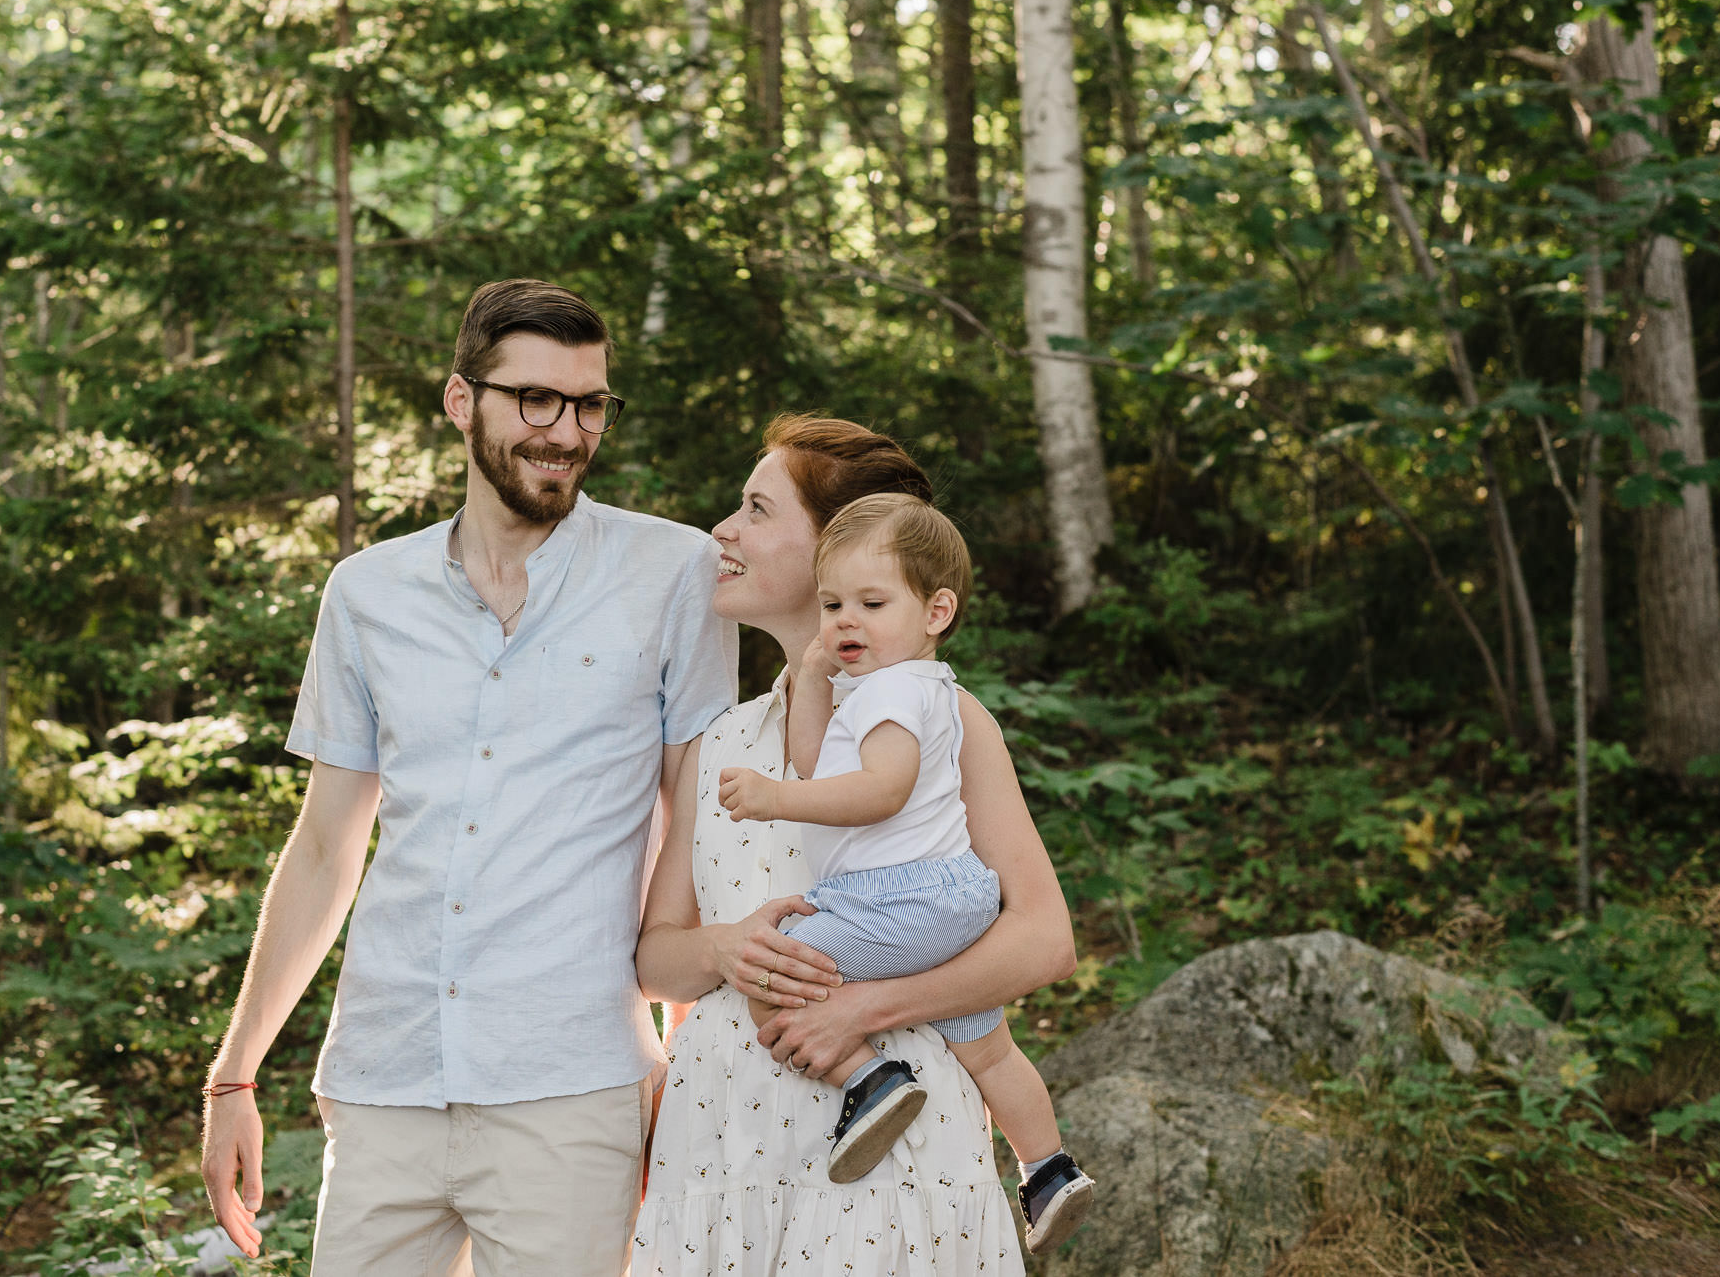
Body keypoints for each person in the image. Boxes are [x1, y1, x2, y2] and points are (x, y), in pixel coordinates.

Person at [198, 279, 737, 1277]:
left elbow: (696, 833)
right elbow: (323, 848)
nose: (566, 432)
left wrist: (690, 1062)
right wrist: (234, 1075)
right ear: (460, 400)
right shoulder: (366, 594)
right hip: (383, 1077)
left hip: (571, 1084)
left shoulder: (677, 574)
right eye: (536, 399)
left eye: (588, 405)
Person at [634, 415, 1080, 1276]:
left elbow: (1043, 937)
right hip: (726, 1143)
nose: (723, 531)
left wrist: (867, 1011)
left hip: (894, 1152)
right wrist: (729, 950)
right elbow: (656, 961)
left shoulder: (945, 720)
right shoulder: (719, 742)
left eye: (757, 511)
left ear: (836, 544)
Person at [715, 492, 1097, 1249]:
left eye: (871, 602)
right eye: (832, 604)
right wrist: (818, 676)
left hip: (898, 897)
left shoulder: (892, 691)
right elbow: (822, 754)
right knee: (986, 1045)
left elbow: (875, 789)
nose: (845, 620)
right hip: (944, 901)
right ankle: (1049, 1170)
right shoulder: (924, 688)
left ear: (937, 610)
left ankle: (871, 1078)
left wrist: (774, 798)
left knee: (769, 971)